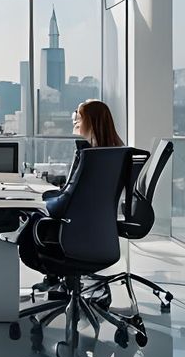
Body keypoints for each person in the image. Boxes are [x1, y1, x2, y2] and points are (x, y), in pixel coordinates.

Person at [21, 99, 124, 279]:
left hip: (74, 234)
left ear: (91, 122)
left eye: (79, 119)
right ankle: (61, 281)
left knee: (32, 216)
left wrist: (45, 199)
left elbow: (64, 205)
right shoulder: (115, 155)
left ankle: (55, 277)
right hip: (102, 234)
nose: (75, 122)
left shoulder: (90, 157)